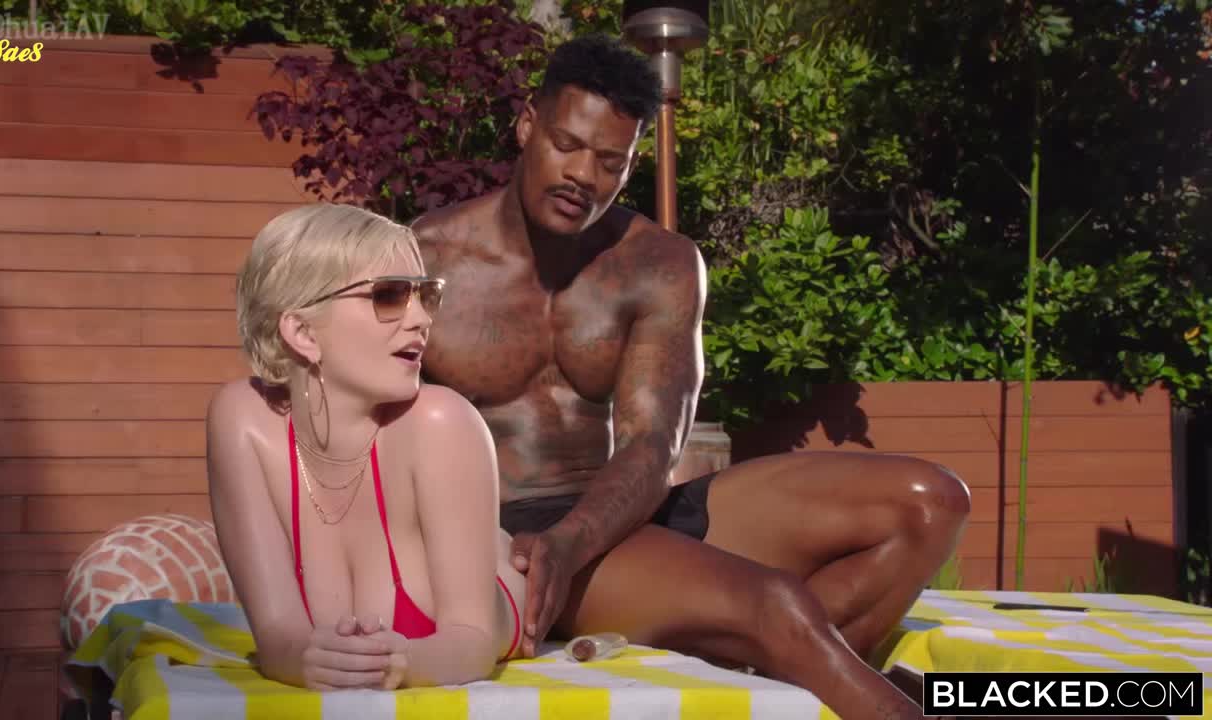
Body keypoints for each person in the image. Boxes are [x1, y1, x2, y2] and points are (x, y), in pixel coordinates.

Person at [411, 34, 971, 719]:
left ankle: (779, 680)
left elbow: (653, 444)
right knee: (776, 603)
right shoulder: (423, 262)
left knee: (930, 503)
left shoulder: (658, 262)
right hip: (512, 534)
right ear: (528, 124)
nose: (583, 175)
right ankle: (795, 654)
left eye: (610, 161)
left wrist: (575, 538)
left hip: (616, 512)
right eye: (566, 144)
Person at [206, 204, 525, 691]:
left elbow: (474, 642)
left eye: (425, 294)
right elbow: (278, 641)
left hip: (515, 582)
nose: (421, 318)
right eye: (389, 295)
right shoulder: (243, 422)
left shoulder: (441, 422)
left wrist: (401, 664)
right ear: (302, 332)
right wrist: (302, 660)